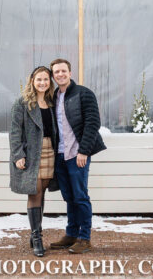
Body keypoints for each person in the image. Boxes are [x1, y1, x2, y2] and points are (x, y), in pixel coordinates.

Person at [46, 58, 106, 254]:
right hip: (61, 155)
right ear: (53, 76)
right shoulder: (54, 96)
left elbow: (93, 123)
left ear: (70, 73)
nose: (60, 74)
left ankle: (85, 238)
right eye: (56, 72)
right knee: (69, 197)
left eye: (63, 71)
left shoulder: (84, 94)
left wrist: (84, 151)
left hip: (77, 154)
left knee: (80, 197)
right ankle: (71, 234)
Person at [9, 66, 59, 257]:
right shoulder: (22, 103)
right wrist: (18, 155)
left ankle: (34, 231)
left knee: (43, 190)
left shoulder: (51, 102)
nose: (42, 83)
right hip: (31, 153)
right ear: (32, 81)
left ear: (49, 82)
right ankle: (37, 237)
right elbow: (15, 131)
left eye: (46, 79)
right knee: (34, 192)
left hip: (50, 151)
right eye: (39, 79)